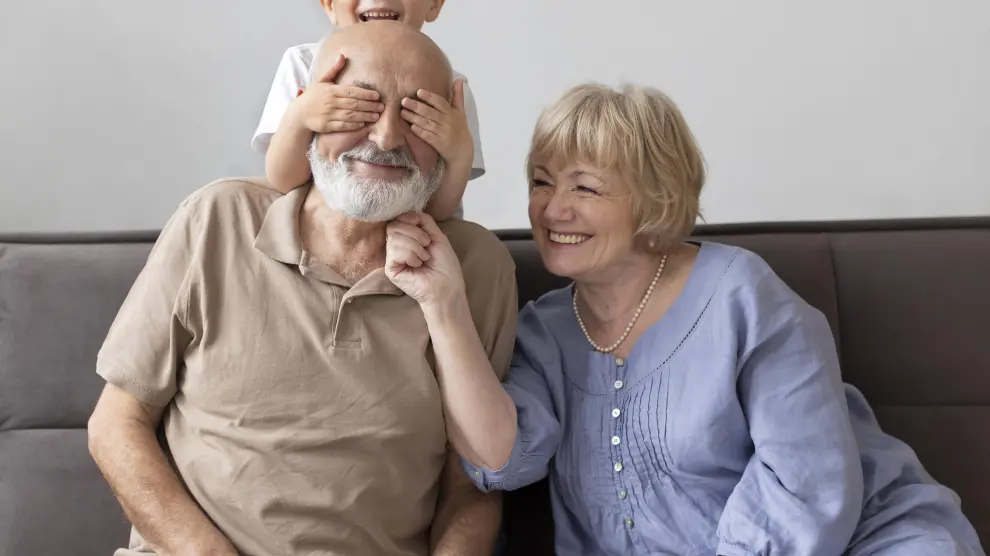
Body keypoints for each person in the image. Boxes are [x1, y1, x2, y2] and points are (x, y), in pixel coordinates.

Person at [384, 83, 985, 555]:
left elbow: (811, 487)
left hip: (867, 539)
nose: (552, 208)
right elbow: (500, 460)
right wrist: (444, 304)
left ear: (652, 196)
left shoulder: (741, 296)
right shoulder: (545, 330)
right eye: (541, 182)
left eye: (585, 187)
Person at [87, 22, 516, 556]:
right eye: (360, 105)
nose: (385, 138)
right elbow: (115, 424)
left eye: (416, 115)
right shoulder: (216, 219)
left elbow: (472, 485)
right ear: (308, 110)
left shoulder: (475, 266)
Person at [254, 0, 482, 221]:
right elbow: (283, 180)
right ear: (329, 4)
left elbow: (439, 212)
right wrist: (299, 116)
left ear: (434, 4)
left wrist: (460, 153)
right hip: (320, 231)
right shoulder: (304, 63)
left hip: (411, 234)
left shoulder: (452, 86)